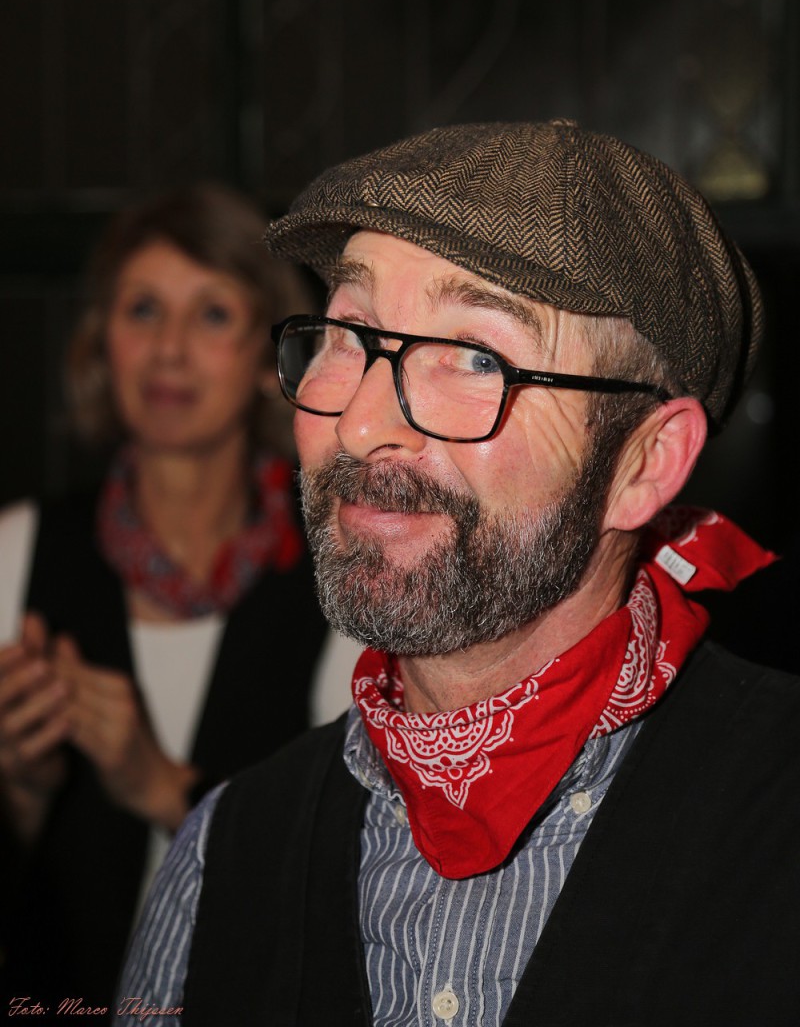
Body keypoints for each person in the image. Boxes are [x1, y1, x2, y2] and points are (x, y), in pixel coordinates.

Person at [119, 121, 799, 1027]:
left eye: (478, 356)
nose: (361, 425)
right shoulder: (223, 859)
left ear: (644, 463)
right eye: (348, 333)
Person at [0, 182, 341, 1011]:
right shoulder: (15, 553)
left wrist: (159, 785)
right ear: (101, 344)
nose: (169, 350)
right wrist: (21, 789)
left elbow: (355, 886)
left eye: (212, 315)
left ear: (268, 359)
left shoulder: (345, 574)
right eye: (143, 310)